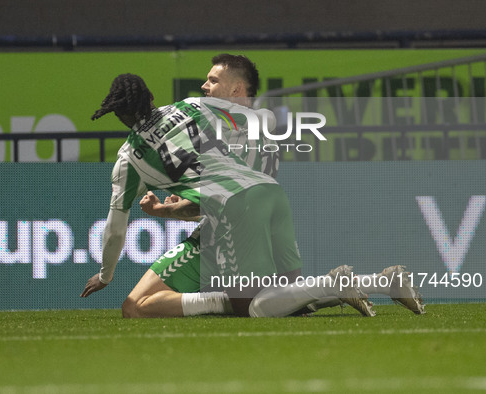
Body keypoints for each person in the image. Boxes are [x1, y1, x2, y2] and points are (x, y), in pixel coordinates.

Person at [79, 70, 375, 317]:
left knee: (254, 307)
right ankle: (372, 283)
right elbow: (262, 119)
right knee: (279, 299)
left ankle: (333, 284)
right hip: (266, 192)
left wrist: (106, 275)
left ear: (118, 113)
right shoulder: (192, 105)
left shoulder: (128, 159)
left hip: (232, 212)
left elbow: (115, 230)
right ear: (151, 97)